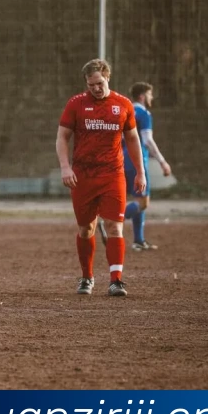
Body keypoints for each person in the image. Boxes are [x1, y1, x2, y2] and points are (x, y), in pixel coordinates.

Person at [56, 59, 147, 297]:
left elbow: (133, 139)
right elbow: (62, 137)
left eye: (99, 83)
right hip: (83, 176)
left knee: (114, 226)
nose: (95, 88)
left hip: (112, 174)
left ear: (108, 77)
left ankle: (116, 280)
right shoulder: (76, 104)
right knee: (86, 229)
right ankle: (87, 277)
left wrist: (140, 172)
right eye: (90, 84)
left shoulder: (123, 104)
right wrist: (65, 167)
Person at [119, 82, 171, 251]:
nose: (151, 98)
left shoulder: (124, 111)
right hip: (138, 161)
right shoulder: (144, 113)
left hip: (122, 160)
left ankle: (139, 240)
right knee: (143, 203)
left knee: (137, 199)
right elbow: (147, 140)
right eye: (150, 94)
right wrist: (163, 161)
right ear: (142, 96)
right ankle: (112, 219)